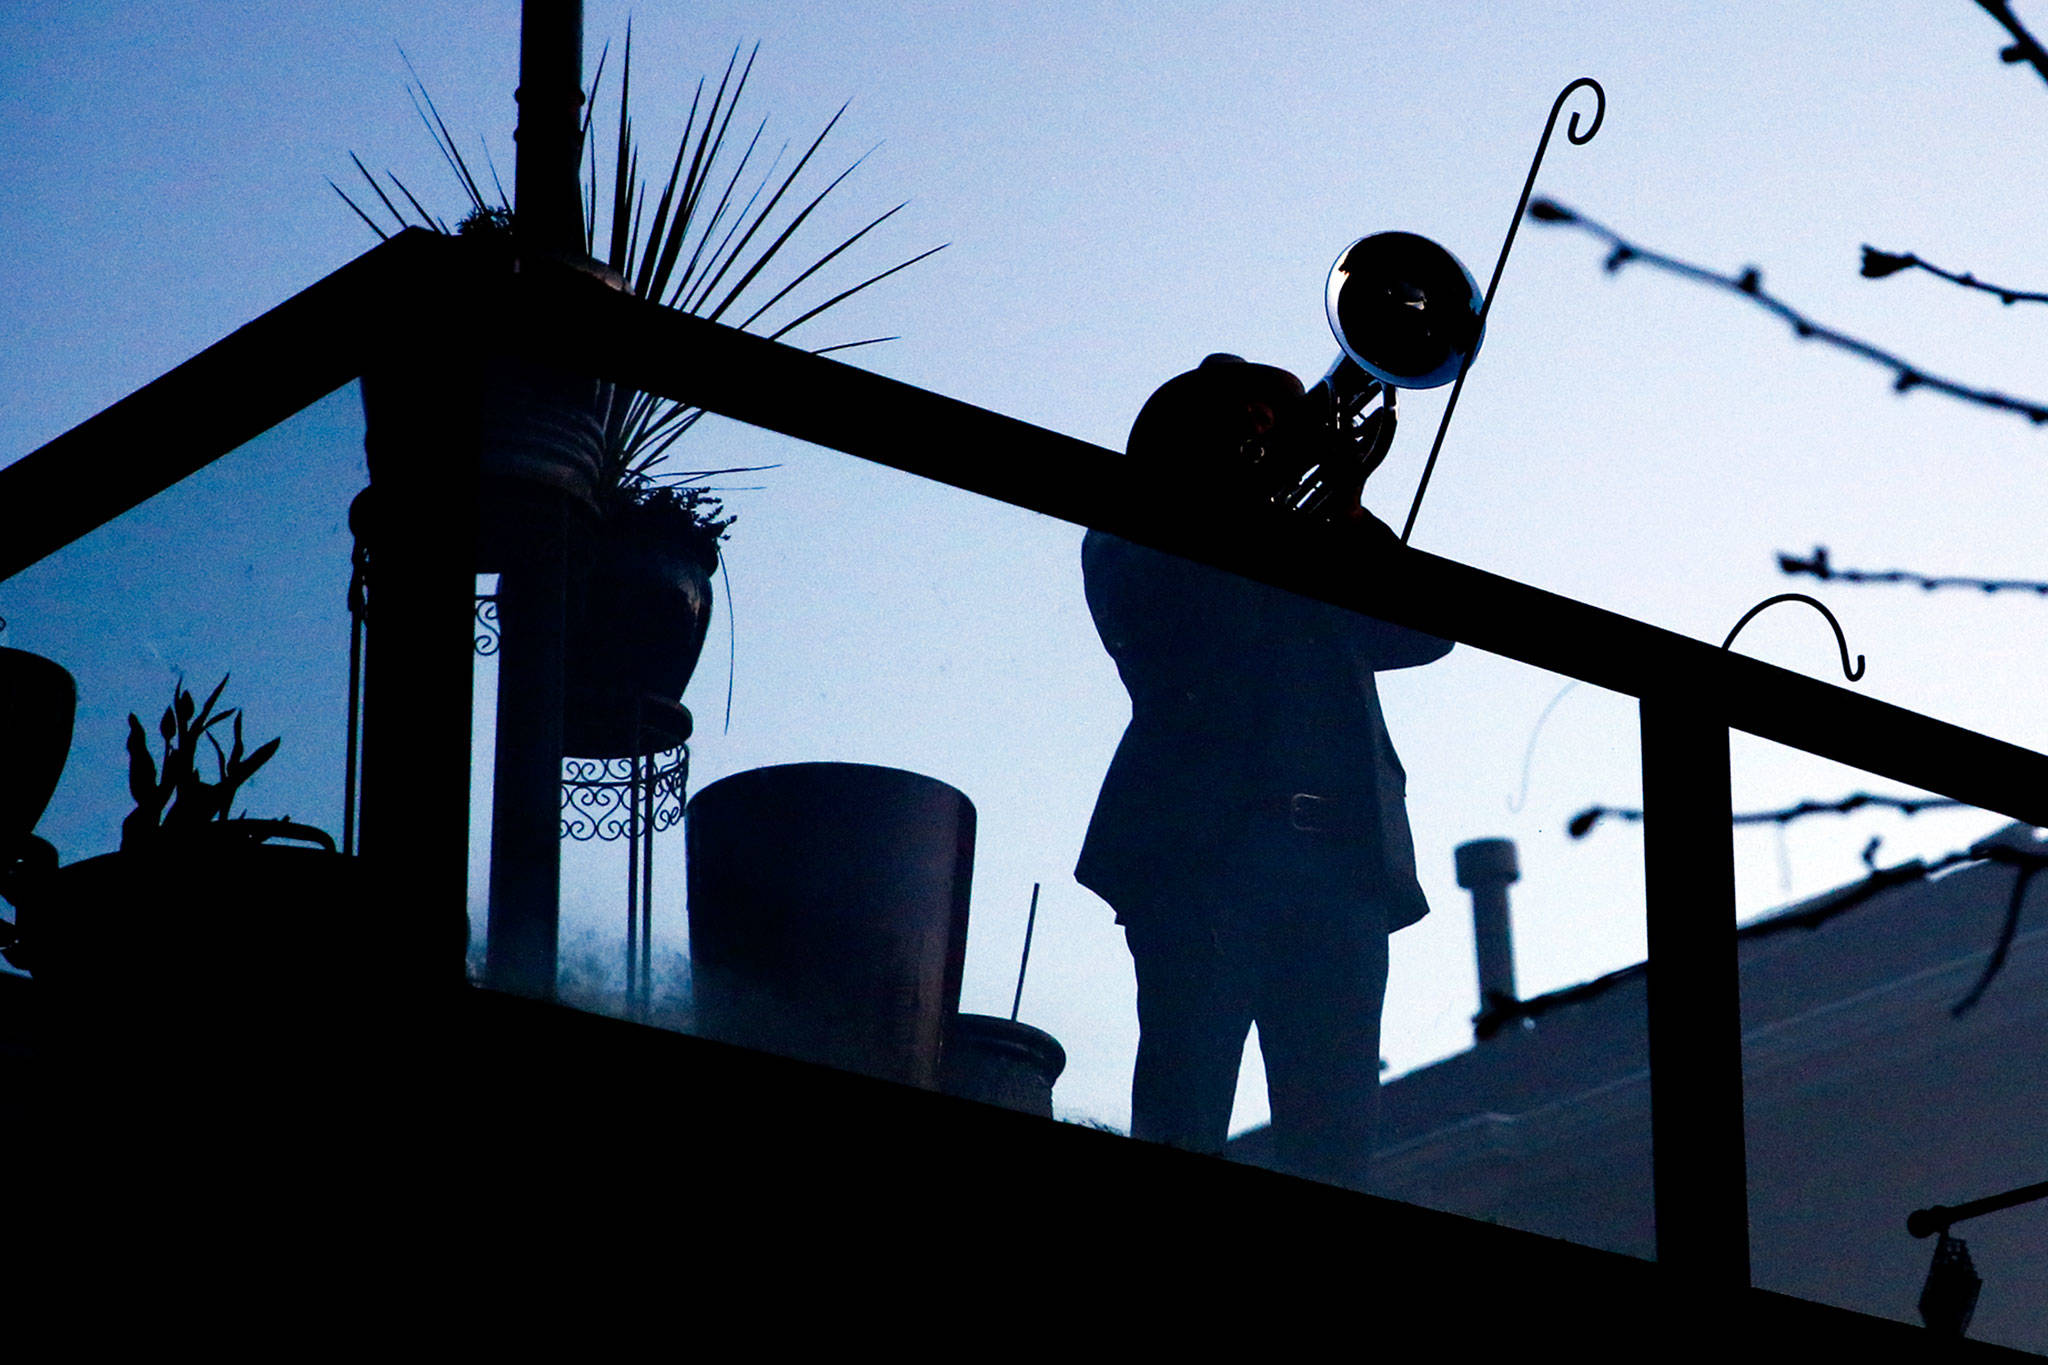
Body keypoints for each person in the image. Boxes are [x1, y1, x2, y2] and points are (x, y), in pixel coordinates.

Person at [1075, 353, 1450, 1190]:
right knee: (1182, 1122)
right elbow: (1181, 606)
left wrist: (1346, 508)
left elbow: (1429, 629)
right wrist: (1295, 503)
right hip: (1208, 858)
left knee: (1336, 1153)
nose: (1266, 448)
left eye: (1275, 433)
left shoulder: (1316, 536)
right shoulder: (1126, 531)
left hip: (1342, 870)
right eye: (1245, 431)